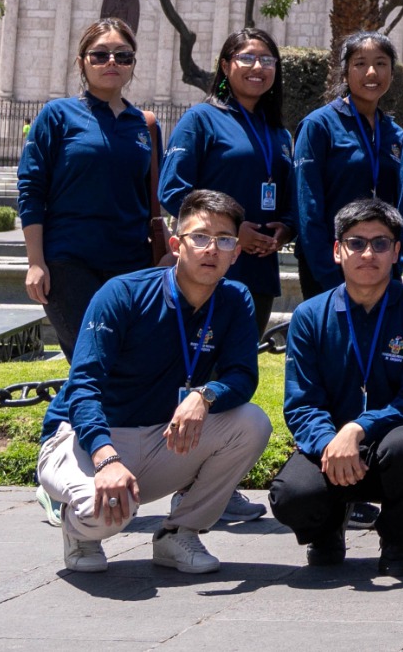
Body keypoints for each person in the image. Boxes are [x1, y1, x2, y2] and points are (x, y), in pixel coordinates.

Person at [34, 188, 272, 575]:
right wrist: (105, 458)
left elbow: (242, 376)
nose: (211, 249)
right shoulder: (124, 293)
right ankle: (78, 530)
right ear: (177, 244)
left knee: (252, 423)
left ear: (236, 251)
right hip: (86, 437)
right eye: (199, 237)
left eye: (224, 240)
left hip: (162, 435)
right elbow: (85, 385)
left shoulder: (235, 298)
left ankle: (180, 533)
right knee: (110, 516)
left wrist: (205, 396)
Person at [271, 196, 403, 577]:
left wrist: (359, 427)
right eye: (356, 243)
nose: (369, 253)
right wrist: (331, 443)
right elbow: (301, 403)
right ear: (337, 251)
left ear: (397, 251)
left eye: (381, 243)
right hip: (330, 446)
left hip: (391, 443)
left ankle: (397, 540)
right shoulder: (309, 315)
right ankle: (326, 530)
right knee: (292, 495)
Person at [18, 20, 165, 357]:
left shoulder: (145, 125)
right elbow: (31, 189)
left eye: (122, 55)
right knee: (91, 359)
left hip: (131, 264)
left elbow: (151, 197)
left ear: (132, 64)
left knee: (128, 358)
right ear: (82, 61)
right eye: (100, 55)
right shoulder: (57, 115)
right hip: (69, 263)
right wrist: (36, 262)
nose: (111, 62)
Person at [160, 28, 293, 329]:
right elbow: (172, 189)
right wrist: (229, 233)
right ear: (224, 65)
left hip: (258, 272)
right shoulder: (200, 119)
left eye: (267, 60)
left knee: (242, 368)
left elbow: (289, 197)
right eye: (247, 58)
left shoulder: (279, 133)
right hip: (207, 267)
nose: (258, 67)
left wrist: (284, 230)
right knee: (195, 363)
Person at [291, 31, 403, 299]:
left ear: (392, 72)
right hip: (329, 267)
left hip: (380, 264)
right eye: (360, 63)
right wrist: (327, 274)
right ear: (344, 73)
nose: (371, 72)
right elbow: (307, 206)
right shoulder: (318, 126)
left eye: (381, 63)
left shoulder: (396, 135)